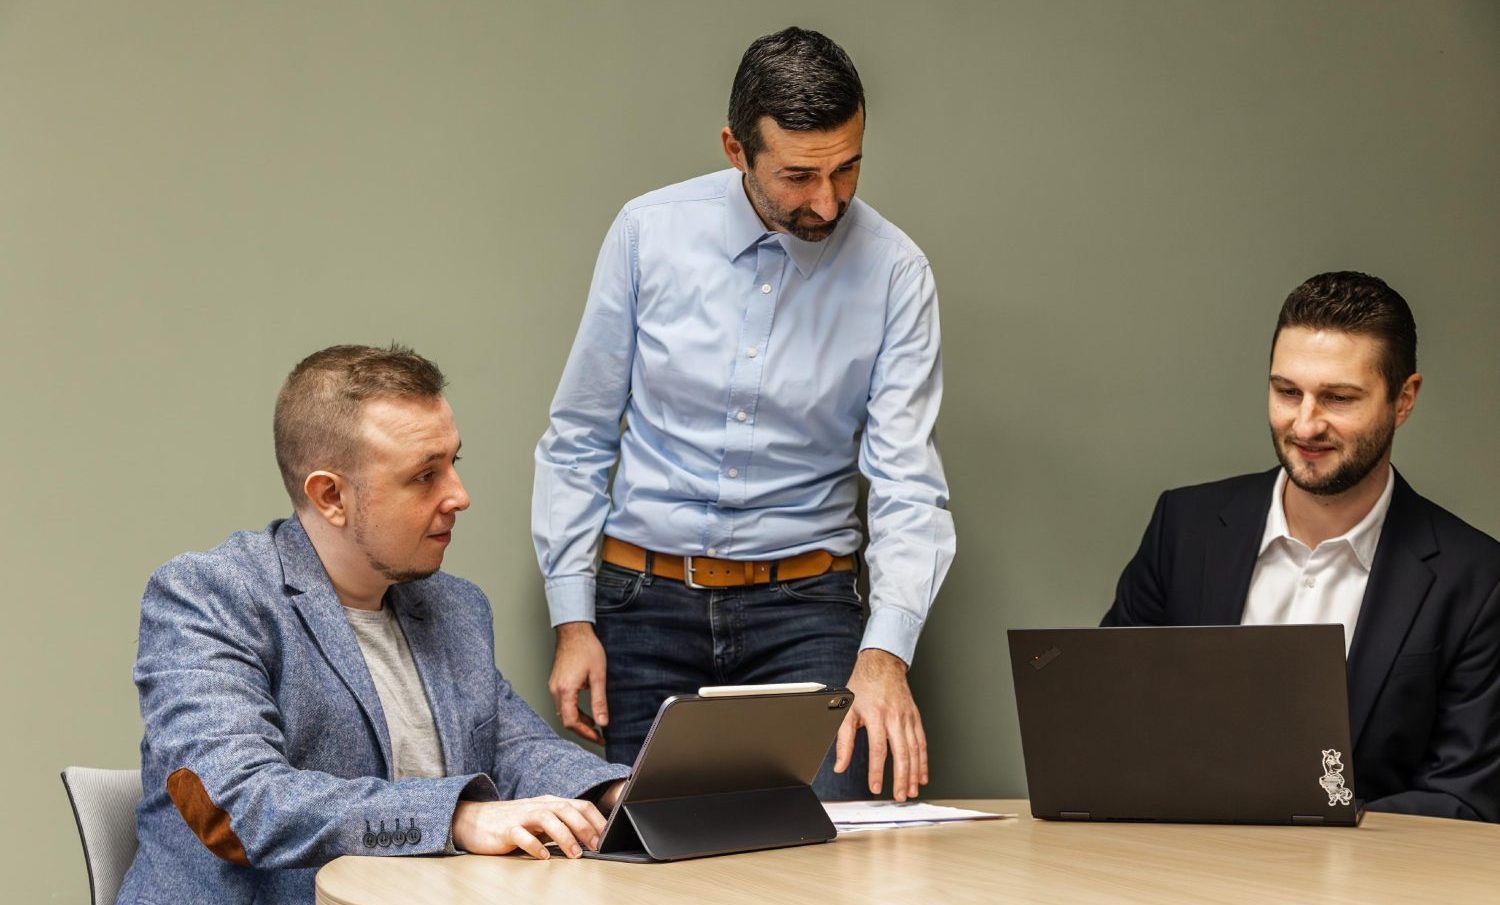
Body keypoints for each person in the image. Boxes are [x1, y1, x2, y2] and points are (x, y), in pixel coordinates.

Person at [533, 27, 954, 802]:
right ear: (736, 149)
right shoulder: (646, 234)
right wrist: (572, 620)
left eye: (848, 167)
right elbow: (579, 437)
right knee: (638, 857)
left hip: (807, 608)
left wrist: (885, 654)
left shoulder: (897, 273)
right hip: (641, 606)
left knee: (830, 863)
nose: (828, 200)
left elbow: (905, 480)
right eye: (799, 176)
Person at [117, 345, 631, 905]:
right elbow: (236, 804)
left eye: (454, 464)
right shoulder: (211, 595)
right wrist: (456, 819)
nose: (459, 496)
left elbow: (512, 747)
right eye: (424, 476)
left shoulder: (454, 605)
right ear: (330, 495)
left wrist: (618, 791)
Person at [1103, 271, 1500, 821]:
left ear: (1403, 400)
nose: (1305, 424)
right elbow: (1108, 722)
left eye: (1338, 398)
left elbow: (1463, 796)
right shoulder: (1183, 526)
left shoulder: (1477, 578)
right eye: (1287, 392)